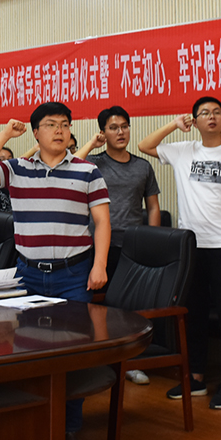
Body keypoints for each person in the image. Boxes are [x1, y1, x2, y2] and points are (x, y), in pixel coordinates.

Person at [0, 101, 110, 440]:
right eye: (50, 124)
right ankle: (34, 423)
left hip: (73, 273)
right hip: (29, 274)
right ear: (36, 132)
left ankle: (69, 430)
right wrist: (5, 133)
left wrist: (99, 266)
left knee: (73, 353)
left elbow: (102, 222)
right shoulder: (17, 169)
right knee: (28, 351)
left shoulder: (87, 170)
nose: (59, 130)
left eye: (64, 124)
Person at [138, 96, 221, 410]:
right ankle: (197, 378)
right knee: (194, 316)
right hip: (190, 247)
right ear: (195, 120)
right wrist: (174, 125)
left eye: (217, 112)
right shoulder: (183, 150)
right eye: (204, 113)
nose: (211, 116)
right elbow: (145, 145)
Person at [77, 104, 161, 385]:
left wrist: (152, 240)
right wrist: (92, 144)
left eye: (124, 126)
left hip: (133, 246)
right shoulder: (93, 163)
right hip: (100, 246)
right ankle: (98, 358)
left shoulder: (142, 166)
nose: (121, 132)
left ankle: (129, 362)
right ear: (103, 132)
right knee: (99, 306)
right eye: (113, 128)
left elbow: (153, 207)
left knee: (129, 307)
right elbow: (70, 166)